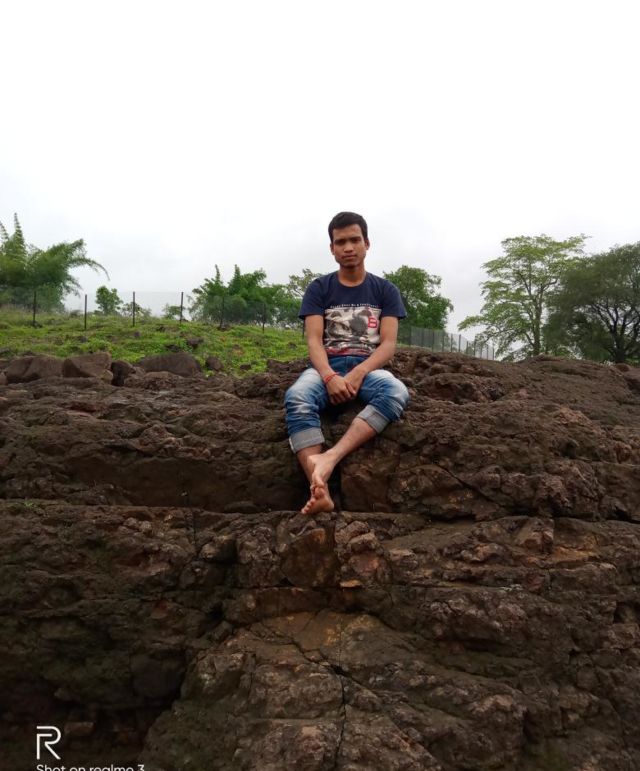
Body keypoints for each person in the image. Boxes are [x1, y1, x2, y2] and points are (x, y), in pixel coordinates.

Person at [284, 211, 410, 514]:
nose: (348, 247)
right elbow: (314, 341)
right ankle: (320, 491)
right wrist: (329, 377)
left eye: (355, 240)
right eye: (340, 242)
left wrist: (359, 372)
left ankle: (330, 457)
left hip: (368, 368)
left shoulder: (385, 290)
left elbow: (388, 345)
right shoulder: (319, 288)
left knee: (396, 392)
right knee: (297, 397)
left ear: (367, 243)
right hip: (325, 367)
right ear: (332, 248)